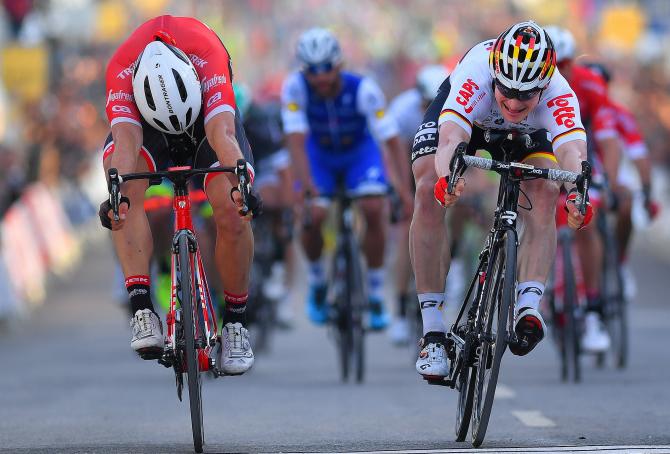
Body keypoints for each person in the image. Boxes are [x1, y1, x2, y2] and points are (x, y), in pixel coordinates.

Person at [411, 21, 592, 378]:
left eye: (524, 95)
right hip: (472, 125)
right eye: (506, 89)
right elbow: (449, 140)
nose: (512, 101)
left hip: (531, 134)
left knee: (546, 187)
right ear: (495, 73)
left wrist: (577, 196)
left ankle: (528, 305)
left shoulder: (559, 92)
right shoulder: (477, 72)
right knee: (427, 183)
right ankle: (432, 332)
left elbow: (572, 154)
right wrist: (449, 179)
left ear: (543, 85)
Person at [99, 15, 259, 375]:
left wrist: (243, 188)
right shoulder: (121, 68)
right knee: (123, 194)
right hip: (145, 130)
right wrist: (115, 194)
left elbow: (222, 134)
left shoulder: (208, 55)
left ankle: (235, 322)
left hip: (206, 126)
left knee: (233, 206)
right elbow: (126, 143)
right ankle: (142, 308)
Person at [281, 28, 413, 330]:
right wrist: (304, 186)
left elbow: (391, 142)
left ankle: (376, 292)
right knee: (313, 214)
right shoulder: (295, 88)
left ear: (338, 63)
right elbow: (296, 141)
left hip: (358, 153)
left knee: (372, 207)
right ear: (303, 69)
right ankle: (317, 282)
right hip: (319, 155)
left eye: (326, 67)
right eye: (312, 70)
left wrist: (403, 191)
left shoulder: (364, 88)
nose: (320, 77)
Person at [546, 26, 623, 352]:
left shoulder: (589, 84)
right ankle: (542, 288)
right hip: (545, 154)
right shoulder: (533, 84)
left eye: (565, 64)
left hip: (583, 156)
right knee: (534, 208)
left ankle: (592, 308)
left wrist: (614, 181)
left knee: (586, 218)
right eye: (554, 64)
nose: (559, 71)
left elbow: (608, 138)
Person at [387, 64, 450, 345]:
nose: (429, 107)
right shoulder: (403, 111)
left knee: (447, 218)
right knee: (406, 230)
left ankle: (447, 282)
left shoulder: (455, 108)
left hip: (442, 165)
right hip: (408, 170)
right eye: (425, 103)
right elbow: (393, 159)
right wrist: (402, 194)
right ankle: (400, 310)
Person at [585, 62, 659, 299]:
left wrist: (647, 190)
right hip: (581, 168)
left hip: (611, 172)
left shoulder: (619, 114)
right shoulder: (568, 105)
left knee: (626, 205)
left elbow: (638, 153)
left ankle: (619, 260)